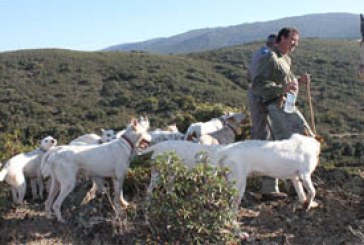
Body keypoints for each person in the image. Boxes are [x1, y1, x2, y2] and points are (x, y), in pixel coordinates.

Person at [251, 27, 315, 198]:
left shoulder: (285, 59)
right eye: (293, 40)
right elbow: (257, 85)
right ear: (282, 39)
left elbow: (287, 80)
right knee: (289, 144)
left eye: (297, 41)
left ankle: (298, 184)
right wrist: (282, 89)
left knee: (303, 136)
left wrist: (299, 81)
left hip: (286, 106)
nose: (295, 44)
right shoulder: (269, 57)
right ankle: (292, 188)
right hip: (275, 108)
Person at [247, 34, 277, 141]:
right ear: (274, 44)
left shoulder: (257, 54)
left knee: (257, 128)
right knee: (263, 133)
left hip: (253, 94)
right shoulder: (268, 56)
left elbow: (249, 75)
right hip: (261, 97)